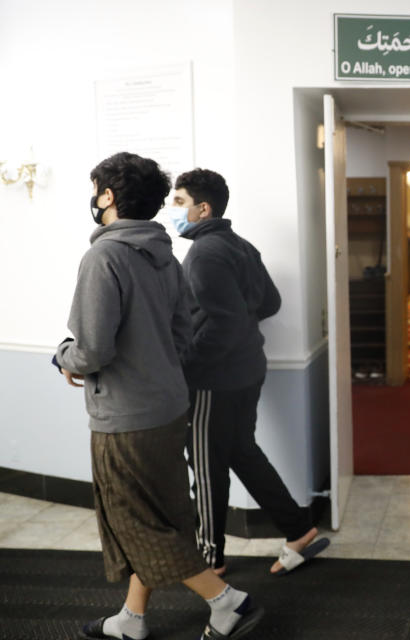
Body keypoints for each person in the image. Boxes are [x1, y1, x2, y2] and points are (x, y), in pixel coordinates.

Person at [54, 153, 262, 640]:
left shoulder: (103, 256)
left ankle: (226, 601)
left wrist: (64, 356)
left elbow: (92, 348)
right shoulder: (166, 254)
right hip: (170, 408)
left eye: (96, 188)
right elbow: (185, 333)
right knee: (163, 514)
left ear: (107, 196)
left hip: (125, 417)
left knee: (135, 523)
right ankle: (132, 618)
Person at [170, 168, 328, 577]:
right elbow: (269, 304)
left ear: (203, 209)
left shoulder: (203, 253)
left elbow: (224, 322)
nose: (172, 210)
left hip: (213, 379)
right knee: (241, 451)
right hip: (247, 370)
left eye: (179, 202)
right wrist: (239, 324)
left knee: (206, 465)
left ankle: (208, 558)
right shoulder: (240, 245)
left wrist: (189, 365)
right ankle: (298, 528)